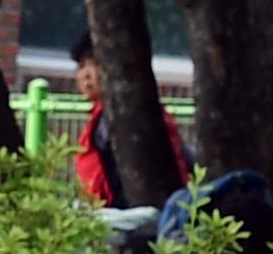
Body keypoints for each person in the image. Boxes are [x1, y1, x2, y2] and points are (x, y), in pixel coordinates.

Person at [66, 32, 188, 211]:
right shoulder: (98, 121)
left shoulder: (135, 116)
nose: (86, 75)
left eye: (96, 64)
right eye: (82, 66)